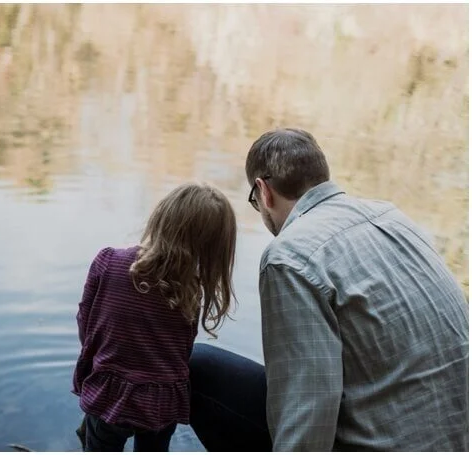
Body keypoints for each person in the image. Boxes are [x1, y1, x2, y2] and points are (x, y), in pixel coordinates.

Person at [188, 128, 469, 451]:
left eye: (255, 202)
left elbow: (310, 405)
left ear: (264, 192)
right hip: (450, 440)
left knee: (199, 367)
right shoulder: (394, 218)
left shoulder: (290, 255)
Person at [73, 182, 237, 451]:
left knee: (99, 443)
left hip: (109, 393)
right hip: (160, 403)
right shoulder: (189, 291)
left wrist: (100, 362)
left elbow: (86, 322)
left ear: (161, 217)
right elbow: (182, 350)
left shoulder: (108, 261)